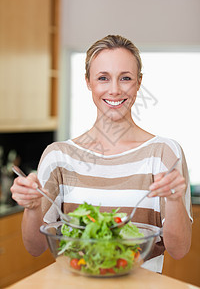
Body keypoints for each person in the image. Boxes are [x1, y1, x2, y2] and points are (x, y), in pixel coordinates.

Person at [10, 35, 192, 273]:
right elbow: (35, 248)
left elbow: (179, 250)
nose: (114, 90)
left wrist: (175, 199)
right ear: (88, 81)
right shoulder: (59, 157)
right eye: (103, 78)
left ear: (138, 82)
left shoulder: (165, 153)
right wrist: (33, 208)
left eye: (125, 78)